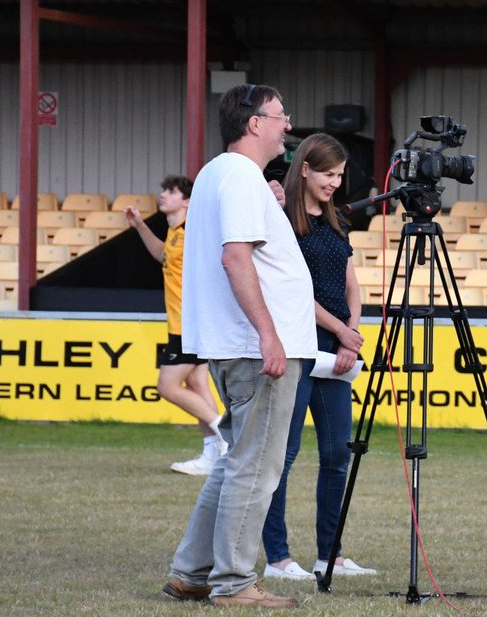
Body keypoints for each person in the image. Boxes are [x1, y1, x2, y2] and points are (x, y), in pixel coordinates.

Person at [162, 84, 316, 609]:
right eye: (279, 115)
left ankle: (190, 572)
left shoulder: (218, 174)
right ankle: (233, 583)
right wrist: (270, 334)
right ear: (254, 123)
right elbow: (236, 259)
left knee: (235, 462)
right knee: (255, 468)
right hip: (256, 348)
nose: (286, 123)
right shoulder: (241, 176)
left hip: (234, 344)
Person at [261, 133, 375, 581]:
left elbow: (352, 284)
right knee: (283, 455)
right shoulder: (281, 220)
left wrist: (352, 336)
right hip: (295, 345)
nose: (335, 182)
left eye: (341, 175)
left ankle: (331, 555)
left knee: (336, 453)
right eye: (328, 173)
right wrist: (341, 329)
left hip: (335, 351)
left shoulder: (336, 220)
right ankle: (278, 558)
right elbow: (290, 293)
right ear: (304, 168)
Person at [125, 175, 227, 475]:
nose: (163, 195)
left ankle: (226, 436)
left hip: (191, 324)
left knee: (167, 386)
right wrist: (140, 226)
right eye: (163, 190)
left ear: (186, 201)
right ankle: (213, 455)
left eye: (170, 191)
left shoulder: (194, 231)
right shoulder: (174, 233)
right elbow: (163, 256)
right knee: (196, 384)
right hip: (181, 324)